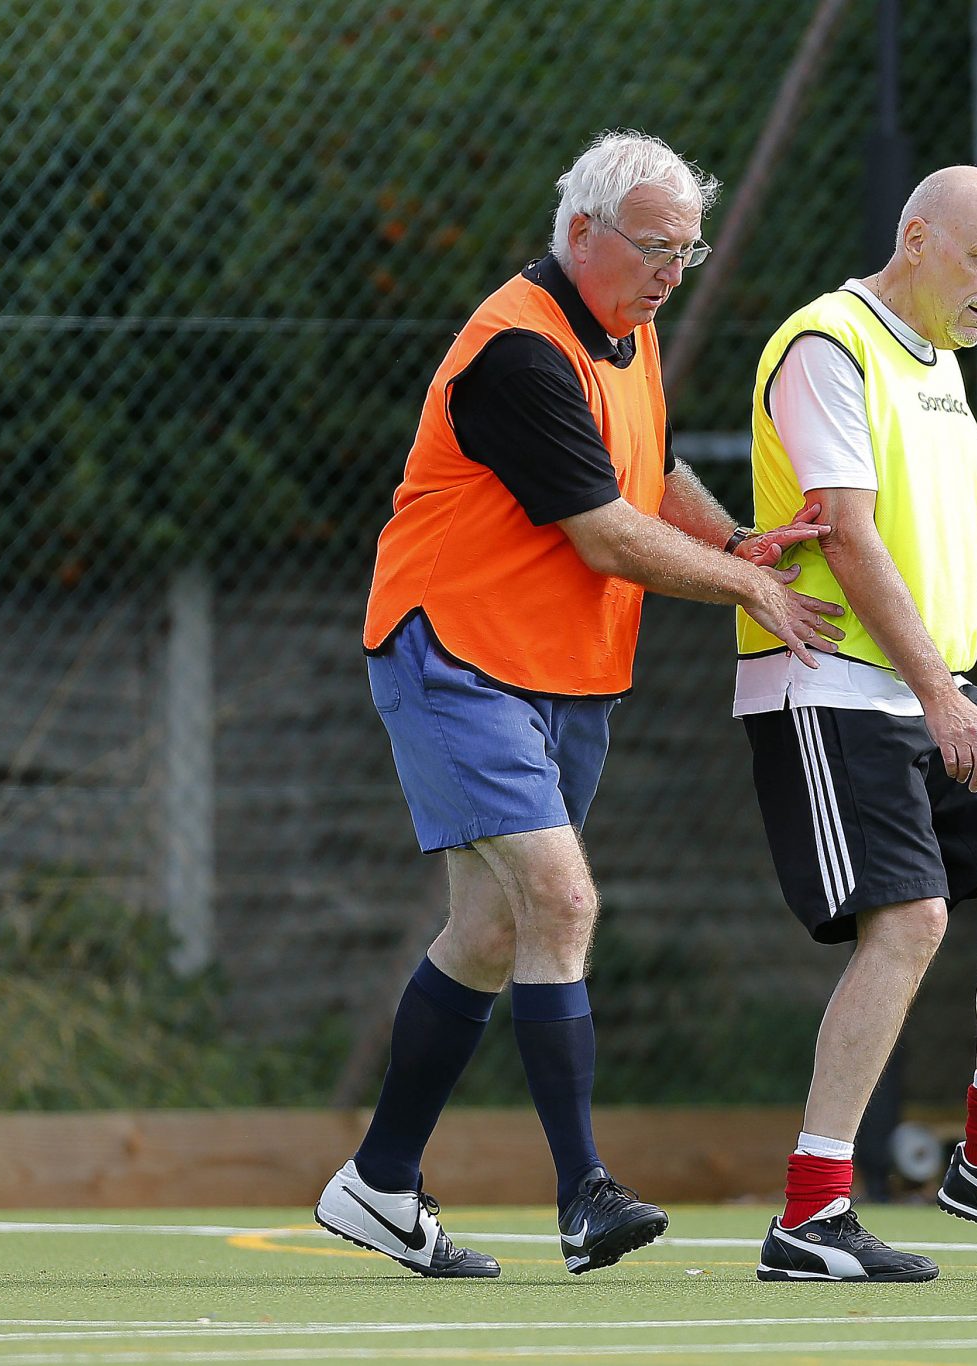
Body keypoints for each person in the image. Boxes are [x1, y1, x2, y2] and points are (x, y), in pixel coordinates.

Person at [315, 129, 841, 1280]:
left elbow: (639, 477)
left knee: (495, 929)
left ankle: (378, 1185)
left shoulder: (625, 331)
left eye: (687, 254)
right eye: (656, 247)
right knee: (561, 897)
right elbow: (603, 533)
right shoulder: (517, 348)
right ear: (579, 232)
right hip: (454, 652)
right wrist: (750, 583)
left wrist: (735, 537)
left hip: (561, 672)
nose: (670, 272)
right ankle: (585, 1193)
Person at [735, 165, 977, 1283]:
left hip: (924, 688)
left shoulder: (938, 359)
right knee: (907, 923)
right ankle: (810, 1214)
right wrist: (941, 693)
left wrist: (943, 689)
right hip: (834, 686)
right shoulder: (827, 345)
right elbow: (846, 537)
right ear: (915, 238)